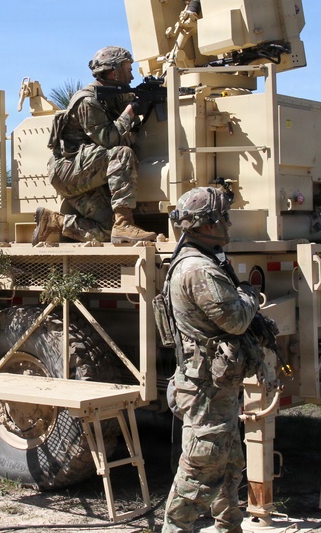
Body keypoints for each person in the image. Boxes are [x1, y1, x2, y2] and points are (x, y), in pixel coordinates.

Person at [161, 187, 261, 533]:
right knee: (201, 469)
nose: (230, 222)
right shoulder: (198, 269)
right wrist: (250, 295)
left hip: (215, 386)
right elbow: (235, 320)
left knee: (228, 464)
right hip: (206, 388)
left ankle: (228, 526)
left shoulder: (206, 260)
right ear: (208, 223)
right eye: (225, 216)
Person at [32, 46, 158, 245]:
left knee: (108, 231)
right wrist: (131, 111)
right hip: (68, 171)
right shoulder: (88, 100)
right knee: (121, 154)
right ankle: (125, 223)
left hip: (88, 171)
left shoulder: (116, 95)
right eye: (128, 69)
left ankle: (55, 221)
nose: (132, 75)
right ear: (114, 71)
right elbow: (108, 139)